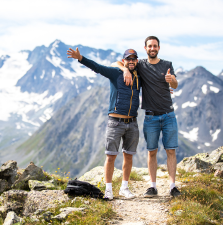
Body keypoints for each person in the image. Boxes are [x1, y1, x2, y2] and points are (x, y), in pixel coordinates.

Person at [67, 47, 141, 200]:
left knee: (128, 156)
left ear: (137, 61)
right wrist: (81, 58)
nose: (131, 61)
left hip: (132, 122)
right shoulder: (115, 73)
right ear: (124, 61)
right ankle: (108, 190)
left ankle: (124, 188)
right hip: (115, 122)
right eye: (128, 59)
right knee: (111, 157)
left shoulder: (139, 76)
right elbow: (98, 68)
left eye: (134, 59)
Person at [112, 36, 181, 197]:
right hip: (150, 117)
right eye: (150, 46)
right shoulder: (140, 65)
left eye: (155, 46)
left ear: (158, 48)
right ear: (145, 48)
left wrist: (172, 81)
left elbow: (176, 85)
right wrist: (124, 70)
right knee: (152, 151)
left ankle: (172, 186)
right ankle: (152, 186)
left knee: (171, 150)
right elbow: (116, 63)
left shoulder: (167, 65)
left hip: (168, 114)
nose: (152, 48)